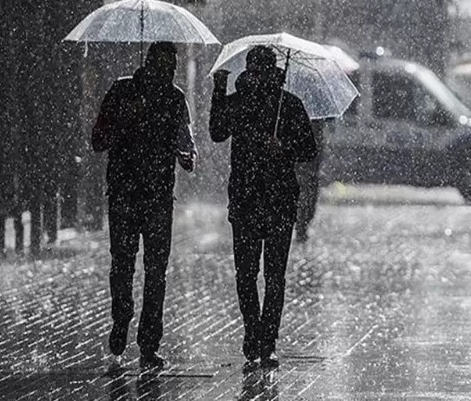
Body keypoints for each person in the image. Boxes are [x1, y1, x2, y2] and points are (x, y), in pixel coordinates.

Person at [210, 46, 317, 371]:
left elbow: (308, 149)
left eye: (263, 72)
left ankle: (267, 341)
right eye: (253, 71)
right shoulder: (238, 101)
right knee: (246, 274)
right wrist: (218, 91)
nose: (257, 78)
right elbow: (217, 132)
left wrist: (283, 147)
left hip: (279, 200)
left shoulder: (290, 105)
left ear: (273, 72)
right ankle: (251, 331)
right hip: (245, 199)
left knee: (274, 276)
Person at [91, 41, 196, 371]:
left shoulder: (175, 99)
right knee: (122, 264)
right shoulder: (122, 92)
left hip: (158, 198)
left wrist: (186, 157)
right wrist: (126, 118)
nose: (167, 73)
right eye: (163, 66)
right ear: (149, 63)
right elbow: (98, 140)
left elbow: (186, 145)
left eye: (172, 68)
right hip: (124, 194)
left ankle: (149, 342)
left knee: (155, 272)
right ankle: (122, 319)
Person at [295, 119, 324, 242]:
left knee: (308, 198)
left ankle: (302, 224)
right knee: (305, 197)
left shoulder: (317, 125)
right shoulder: (297, 122)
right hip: (302, 169)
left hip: (309, 170)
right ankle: (301, 224)